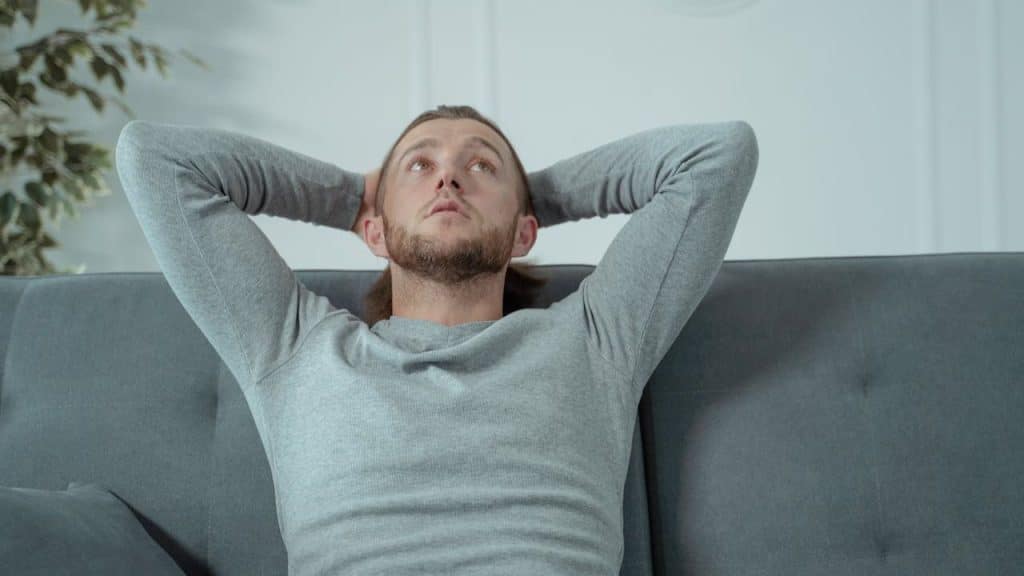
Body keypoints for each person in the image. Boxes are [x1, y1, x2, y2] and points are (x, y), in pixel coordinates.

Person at [115, 105, 759, 575]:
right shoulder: (293, 349)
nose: (448, 179)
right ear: (374, 232)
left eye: (480, 165)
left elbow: (719, 155)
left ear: (524, 235)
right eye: (421, 166)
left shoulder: (596, 341)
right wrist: (352, 198)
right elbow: (154, 158)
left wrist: (530, 199)